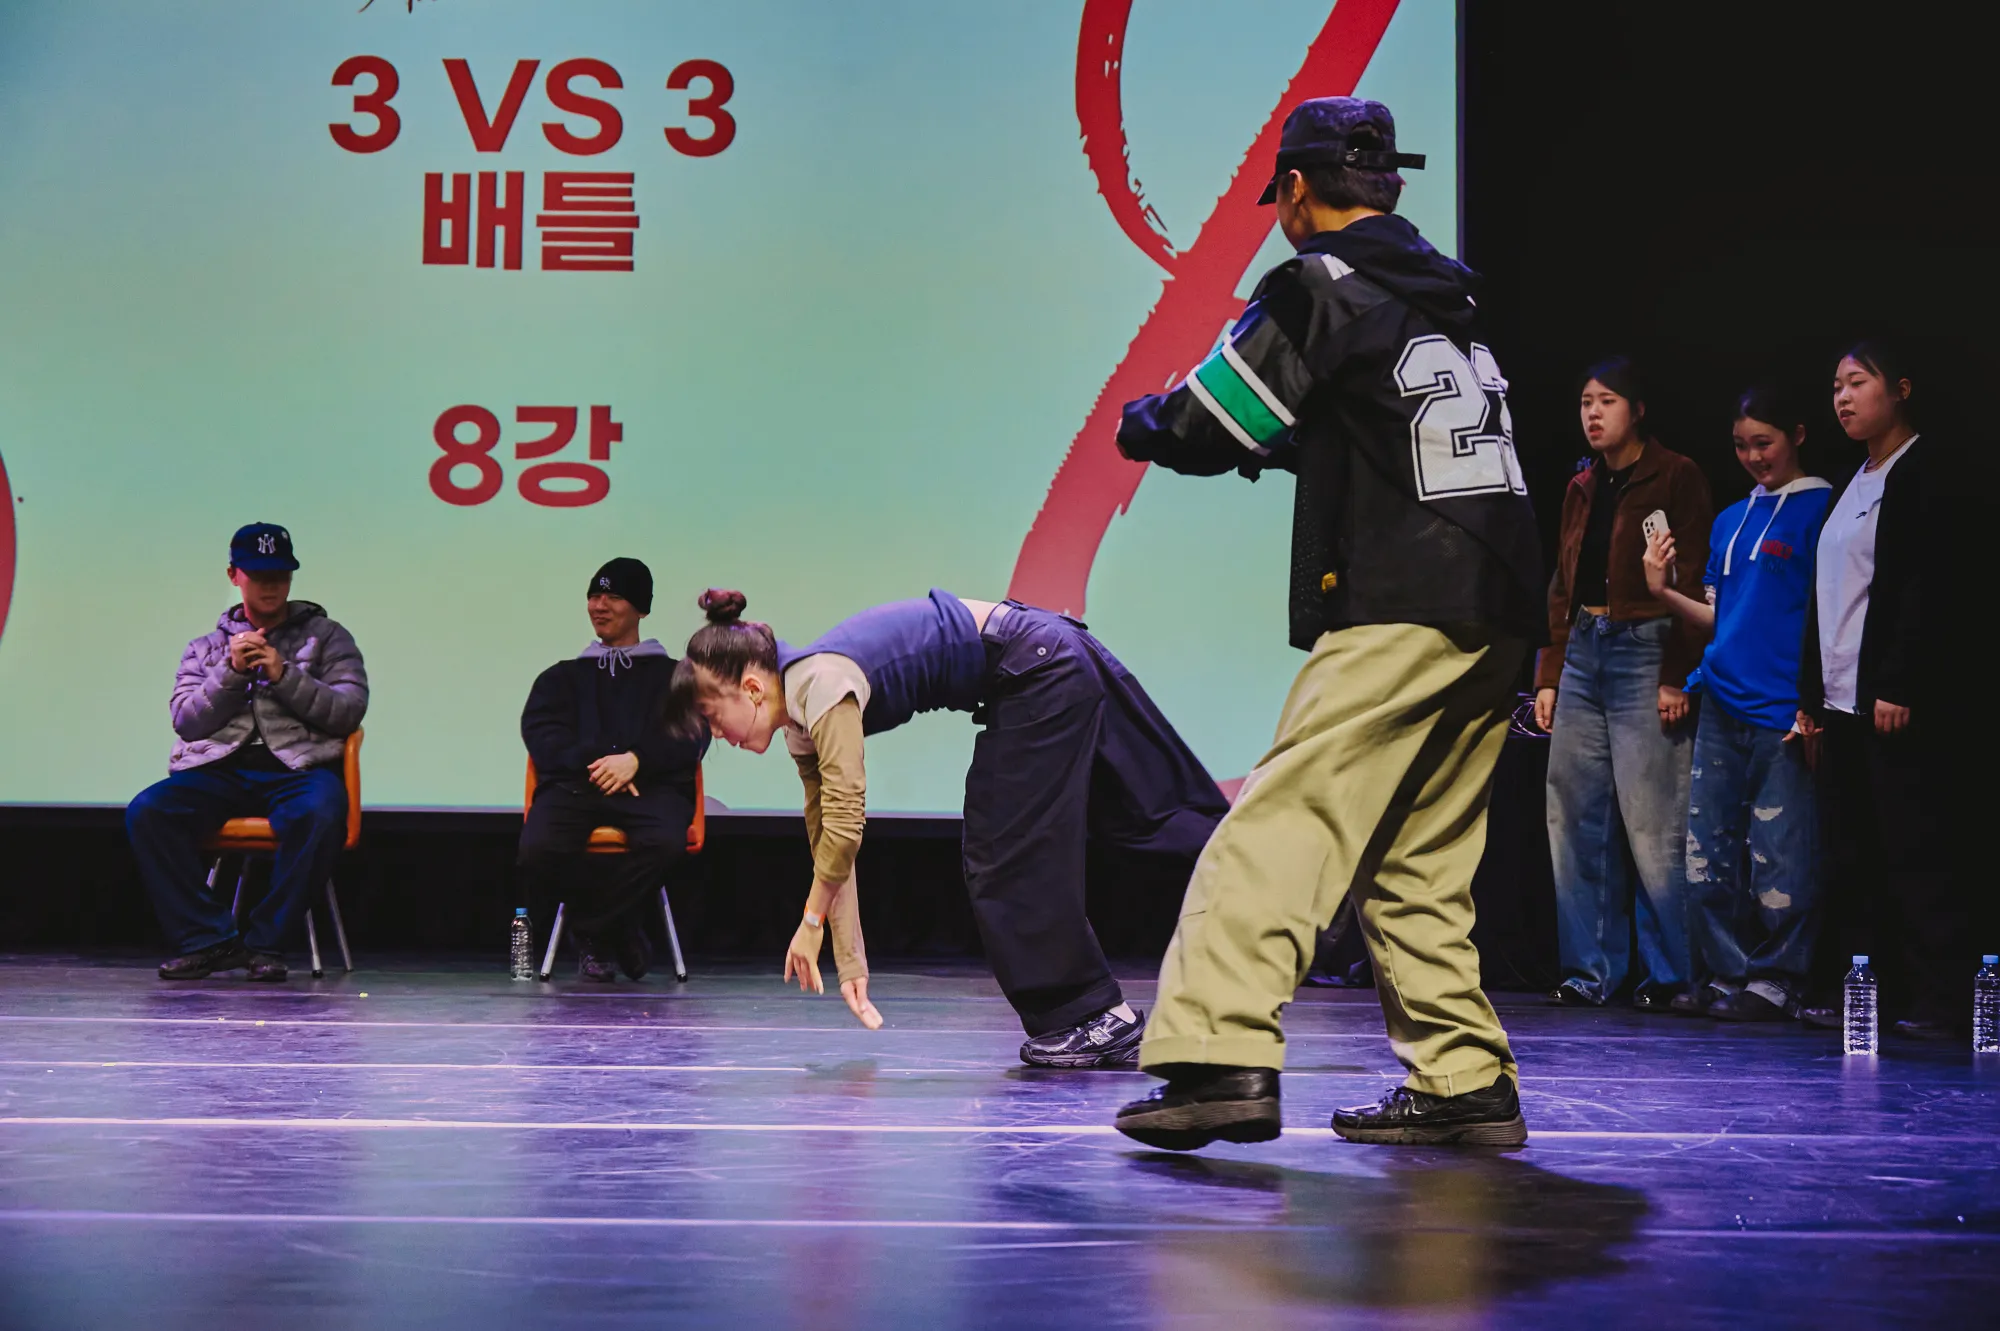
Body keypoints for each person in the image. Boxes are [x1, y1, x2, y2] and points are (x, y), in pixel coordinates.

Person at [1108, 96, 1545, 1149]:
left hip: (1404, 596)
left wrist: (1141, 423)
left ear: (1297, 190)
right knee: (1414, 852)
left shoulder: (1320, 284)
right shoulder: (1445, 297)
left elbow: (1214, 417)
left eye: (1279, 197)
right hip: (1497, 603)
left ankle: (1218, 1056)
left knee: (1280, 823)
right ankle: (1462, 1077)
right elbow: (1376, 434)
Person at [669, 587, 1228, 1067]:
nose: (717, 736)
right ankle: (1249, 914)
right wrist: (851, 962)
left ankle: (1098, 1018)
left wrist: (812, 922)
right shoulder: (801, 717)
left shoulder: (821, 683)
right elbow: (828, 844)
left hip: (1041, 664)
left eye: (713, 718)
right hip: (1042, 660)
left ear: (751, 689)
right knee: (1142, 817)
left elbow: (845, 824)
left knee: (1005, 851)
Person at [1642, 389, 1831, 1020]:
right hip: (1721, 699)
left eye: (1764, 443)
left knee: (1781, 852)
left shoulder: (1822, 509)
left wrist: (1814, 702)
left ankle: (1778, 979)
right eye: (1741, 445)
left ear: (1796, 435)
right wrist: (1663, 591)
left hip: (1782, 708)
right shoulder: (1730, 519)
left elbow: (1827, 614)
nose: (1753, 456)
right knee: (1708, 854)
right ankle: (1727, 973)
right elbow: (1720, 616)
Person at [1795, 341, 1964, 1037]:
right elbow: (1827, 593)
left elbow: (1925, 588)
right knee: (1851, 856)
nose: (1843, 397)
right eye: (1836, 385)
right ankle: (1868, 994)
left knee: (1911, 852)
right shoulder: (1850, 482)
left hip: (1888, 701)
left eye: (1858, 382)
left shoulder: (1922, 470)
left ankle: (1940, 999)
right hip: (1839, 702)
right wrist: (1810, 696)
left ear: (1900, 389)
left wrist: (1898, 680)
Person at [1537, 357, 1713, 1011]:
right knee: (1573, 813)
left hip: (1647, 647)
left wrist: (1676, 674)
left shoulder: (1676, 475)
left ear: (1637, 410)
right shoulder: (1582, 485)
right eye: (1586, 401)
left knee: (1653, 817)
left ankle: (1670, 976)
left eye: (1606, 400)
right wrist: (1551, 671)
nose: (1593, 412)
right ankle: (1590, 972)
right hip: (1585, 648)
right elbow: (1562, 582)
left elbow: (1692, 577)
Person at [126, 523, 368, 981]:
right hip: (220, 771)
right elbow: (187, 721)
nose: (270, 585)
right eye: (258, 575)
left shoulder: (329, 638)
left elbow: (348, 712)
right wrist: (231, 672)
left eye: (280, 574)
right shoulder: (205, 648)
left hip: (298, 770)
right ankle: (207, 939)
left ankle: (264, 944)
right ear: (234, 575)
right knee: (148, 812)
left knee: (321, 812)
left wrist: (285, 674)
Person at [518, 558, 706, 982]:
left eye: (613, 597)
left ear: (640, 608)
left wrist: (637, 760)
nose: (599, 606)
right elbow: (541, 734)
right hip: (577, 789)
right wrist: (598, 767)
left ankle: (594, 931)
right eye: (594, 596)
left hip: (650, 790)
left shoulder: (675, 677)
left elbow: (694, 732)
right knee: (537, 848)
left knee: (665, 843)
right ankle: (621, 932)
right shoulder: (560, 678)